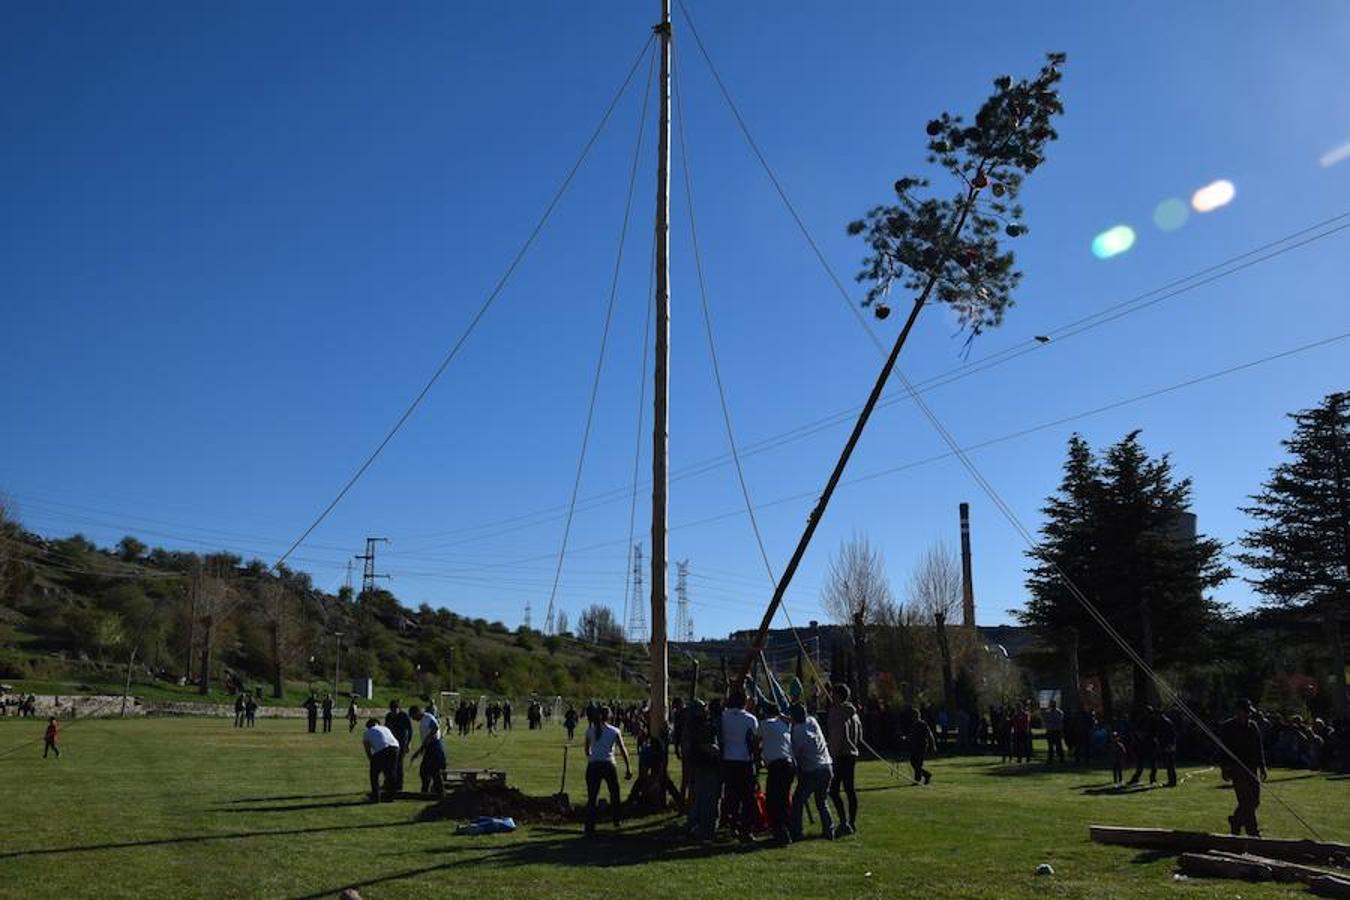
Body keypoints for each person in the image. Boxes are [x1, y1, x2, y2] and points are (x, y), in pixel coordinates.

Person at [1219, 699, 1267, 836]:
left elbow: (1259, 748)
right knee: (1246, 801)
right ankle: (1253, 832)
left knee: (1255, 801)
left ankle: (1236, 820)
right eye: (1245, 711)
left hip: (1252, 768)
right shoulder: (1228, 727)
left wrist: (1262, 767)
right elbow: (1223, 750)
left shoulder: (1253, 726)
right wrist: (1224, 768)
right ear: (1238, 711)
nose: (1247, 714)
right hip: (1236, 769)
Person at [583, 706, 632, 836]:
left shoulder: (590, 730)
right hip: (608, 764)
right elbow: (622, 750)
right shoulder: (614, 731)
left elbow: (587, 750)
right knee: (614, 793)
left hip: (593, 765)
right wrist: (628, 767)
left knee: (592, 796)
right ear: (609, 716)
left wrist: (592, 757)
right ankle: (616, 820)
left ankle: (590, 824)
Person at [720, 688, 759, 845]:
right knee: (747, 797)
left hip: (728, 759)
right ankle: (746, 829)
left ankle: (732, 824)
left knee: (731, 796)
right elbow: (755, 741)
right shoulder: (750, 719)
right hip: (745, 760)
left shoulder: (724, 716)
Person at [789, 703, 834, 840]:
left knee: (798, 801)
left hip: (812, 770)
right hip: (827, 766)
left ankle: (797, 831)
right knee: (821, 801)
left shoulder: (798, 731)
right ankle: (829, 830)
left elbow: (796, 753)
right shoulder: (812, 721)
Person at [756, 703, 795, 844]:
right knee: (783, 799)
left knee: (773, 801)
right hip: (789, 764)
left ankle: (780, 832)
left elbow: (756, 739)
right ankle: (787, 828)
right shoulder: (784, 725)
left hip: (777, 766)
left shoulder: (765, 724)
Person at [826, 684, 862, 835]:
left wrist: (832, 754)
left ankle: (844, 822)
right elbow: (859, 735)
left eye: (833, 694)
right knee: (849, 790)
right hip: (851, 754)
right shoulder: (854, 714)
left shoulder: (837, 712)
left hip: (840, 755)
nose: (831, 696)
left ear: (838, 696)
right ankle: (851, 822)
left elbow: (837, 735)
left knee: (834, 790)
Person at [685, 699, 721, 843]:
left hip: (697, 766)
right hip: (708, 765)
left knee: (698, 799)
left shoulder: (690, 727)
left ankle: (695, 826)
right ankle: (706, 831)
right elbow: (707, 746)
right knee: (709, 800)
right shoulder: (705, 727)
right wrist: (718, 752)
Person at [409, 705, 447, 796]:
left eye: (413, 716)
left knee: (435, 771)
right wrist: (418, 752)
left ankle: (440, 792)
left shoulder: (428, 717)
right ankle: (426, 790)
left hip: (435, 746)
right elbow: (425, 742)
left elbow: (435, 728)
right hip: (429, 747)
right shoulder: (423, 721)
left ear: (417, 713)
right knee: (424, 771)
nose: (413, 719)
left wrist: (428, 739)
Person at [362, 717, 400, 802]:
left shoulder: (367, 733)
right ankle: (391, 796)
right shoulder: (385, 728)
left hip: (382, 750)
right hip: (395, 748)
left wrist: (372, 760)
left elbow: (367, 749)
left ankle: (376, 796)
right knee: (391, 773)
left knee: (374, 774)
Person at [385, 700, 414, 792]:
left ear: (399, 709)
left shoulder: (404, 716)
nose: (394, 712)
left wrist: (409, 743)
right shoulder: (388, 716)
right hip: (391, 743)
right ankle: (390, 783)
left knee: (399, 764)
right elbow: (386, 729)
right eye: (392, 710)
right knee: (390, 764)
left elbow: (410, 730)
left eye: (395, 709)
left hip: (402, 743)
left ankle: (399, 785)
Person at [908, 712, 936, 785]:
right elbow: (912, 736)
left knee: (918, 763)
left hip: (922, 746)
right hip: (916, 746)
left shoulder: (922, 724)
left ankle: (918, 780)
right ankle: (926, 775)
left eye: (914, 716)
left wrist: (933, 746)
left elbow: (930, 735)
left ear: (917, 716)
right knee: (913, 762)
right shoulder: (914, 724)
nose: (912, 718)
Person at [1043, 699, 1065, 765]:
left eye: (1053, 704)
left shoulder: (1059, 712)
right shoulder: (1048, 712)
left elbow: (1059, 720)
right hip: (1050, 731)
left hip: (1057, 731)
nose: (1052, 705)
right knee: (1050, 746)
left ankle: (1061, 758)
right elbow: (1045, 720)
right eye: (1051, 704)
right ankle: (1050, 759)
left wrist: (1051, 720)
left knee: (1058, 745)